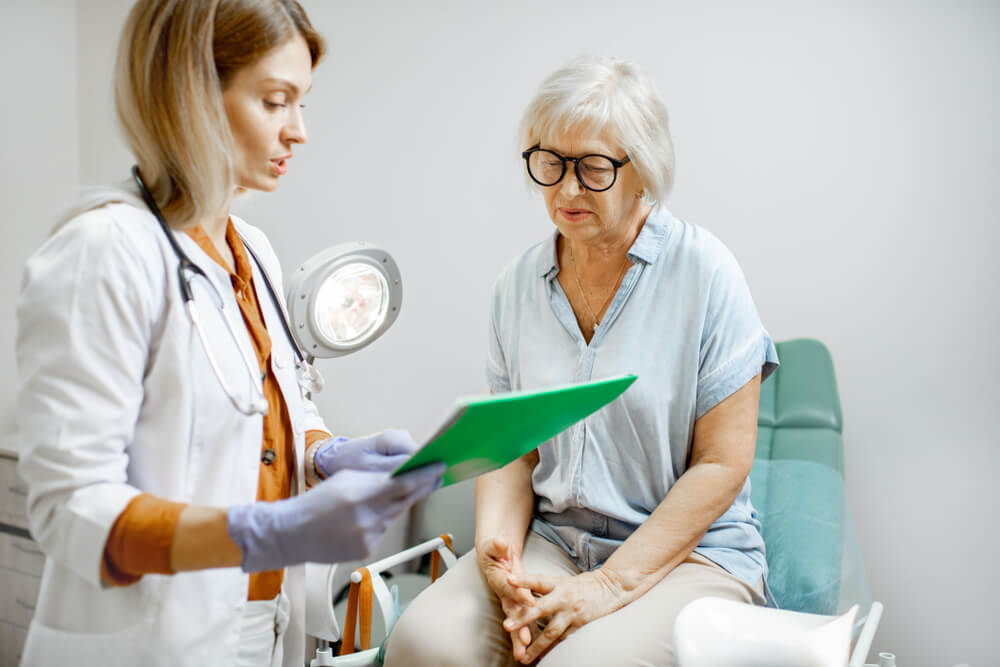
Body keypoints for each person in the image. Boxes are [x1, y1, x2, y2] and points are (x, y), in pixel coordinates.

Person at [14, 2, 443, 666]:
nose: (299, 131)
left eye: (302, 103)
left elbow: (273, 413)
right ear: (190, 96)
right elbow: (73, 509)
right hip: (153, 640)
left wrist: (325, 452)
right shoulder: (102, 252)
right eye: (276, 101)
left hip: (263, 625)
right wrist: (262, 531)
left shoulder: (254, 251)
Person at [384, 55, 778, 667]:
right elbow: (513, 447)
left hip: (687, 557)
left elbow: (723, 462)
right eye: (550, 163)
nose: (566, 189)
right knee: (422, 644)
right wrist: (499, 555)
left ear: (643, 171)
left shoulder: (707, 273)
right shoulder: (516, 285)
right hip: (554, 542)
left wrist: (608, 586)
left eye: (593, 168)